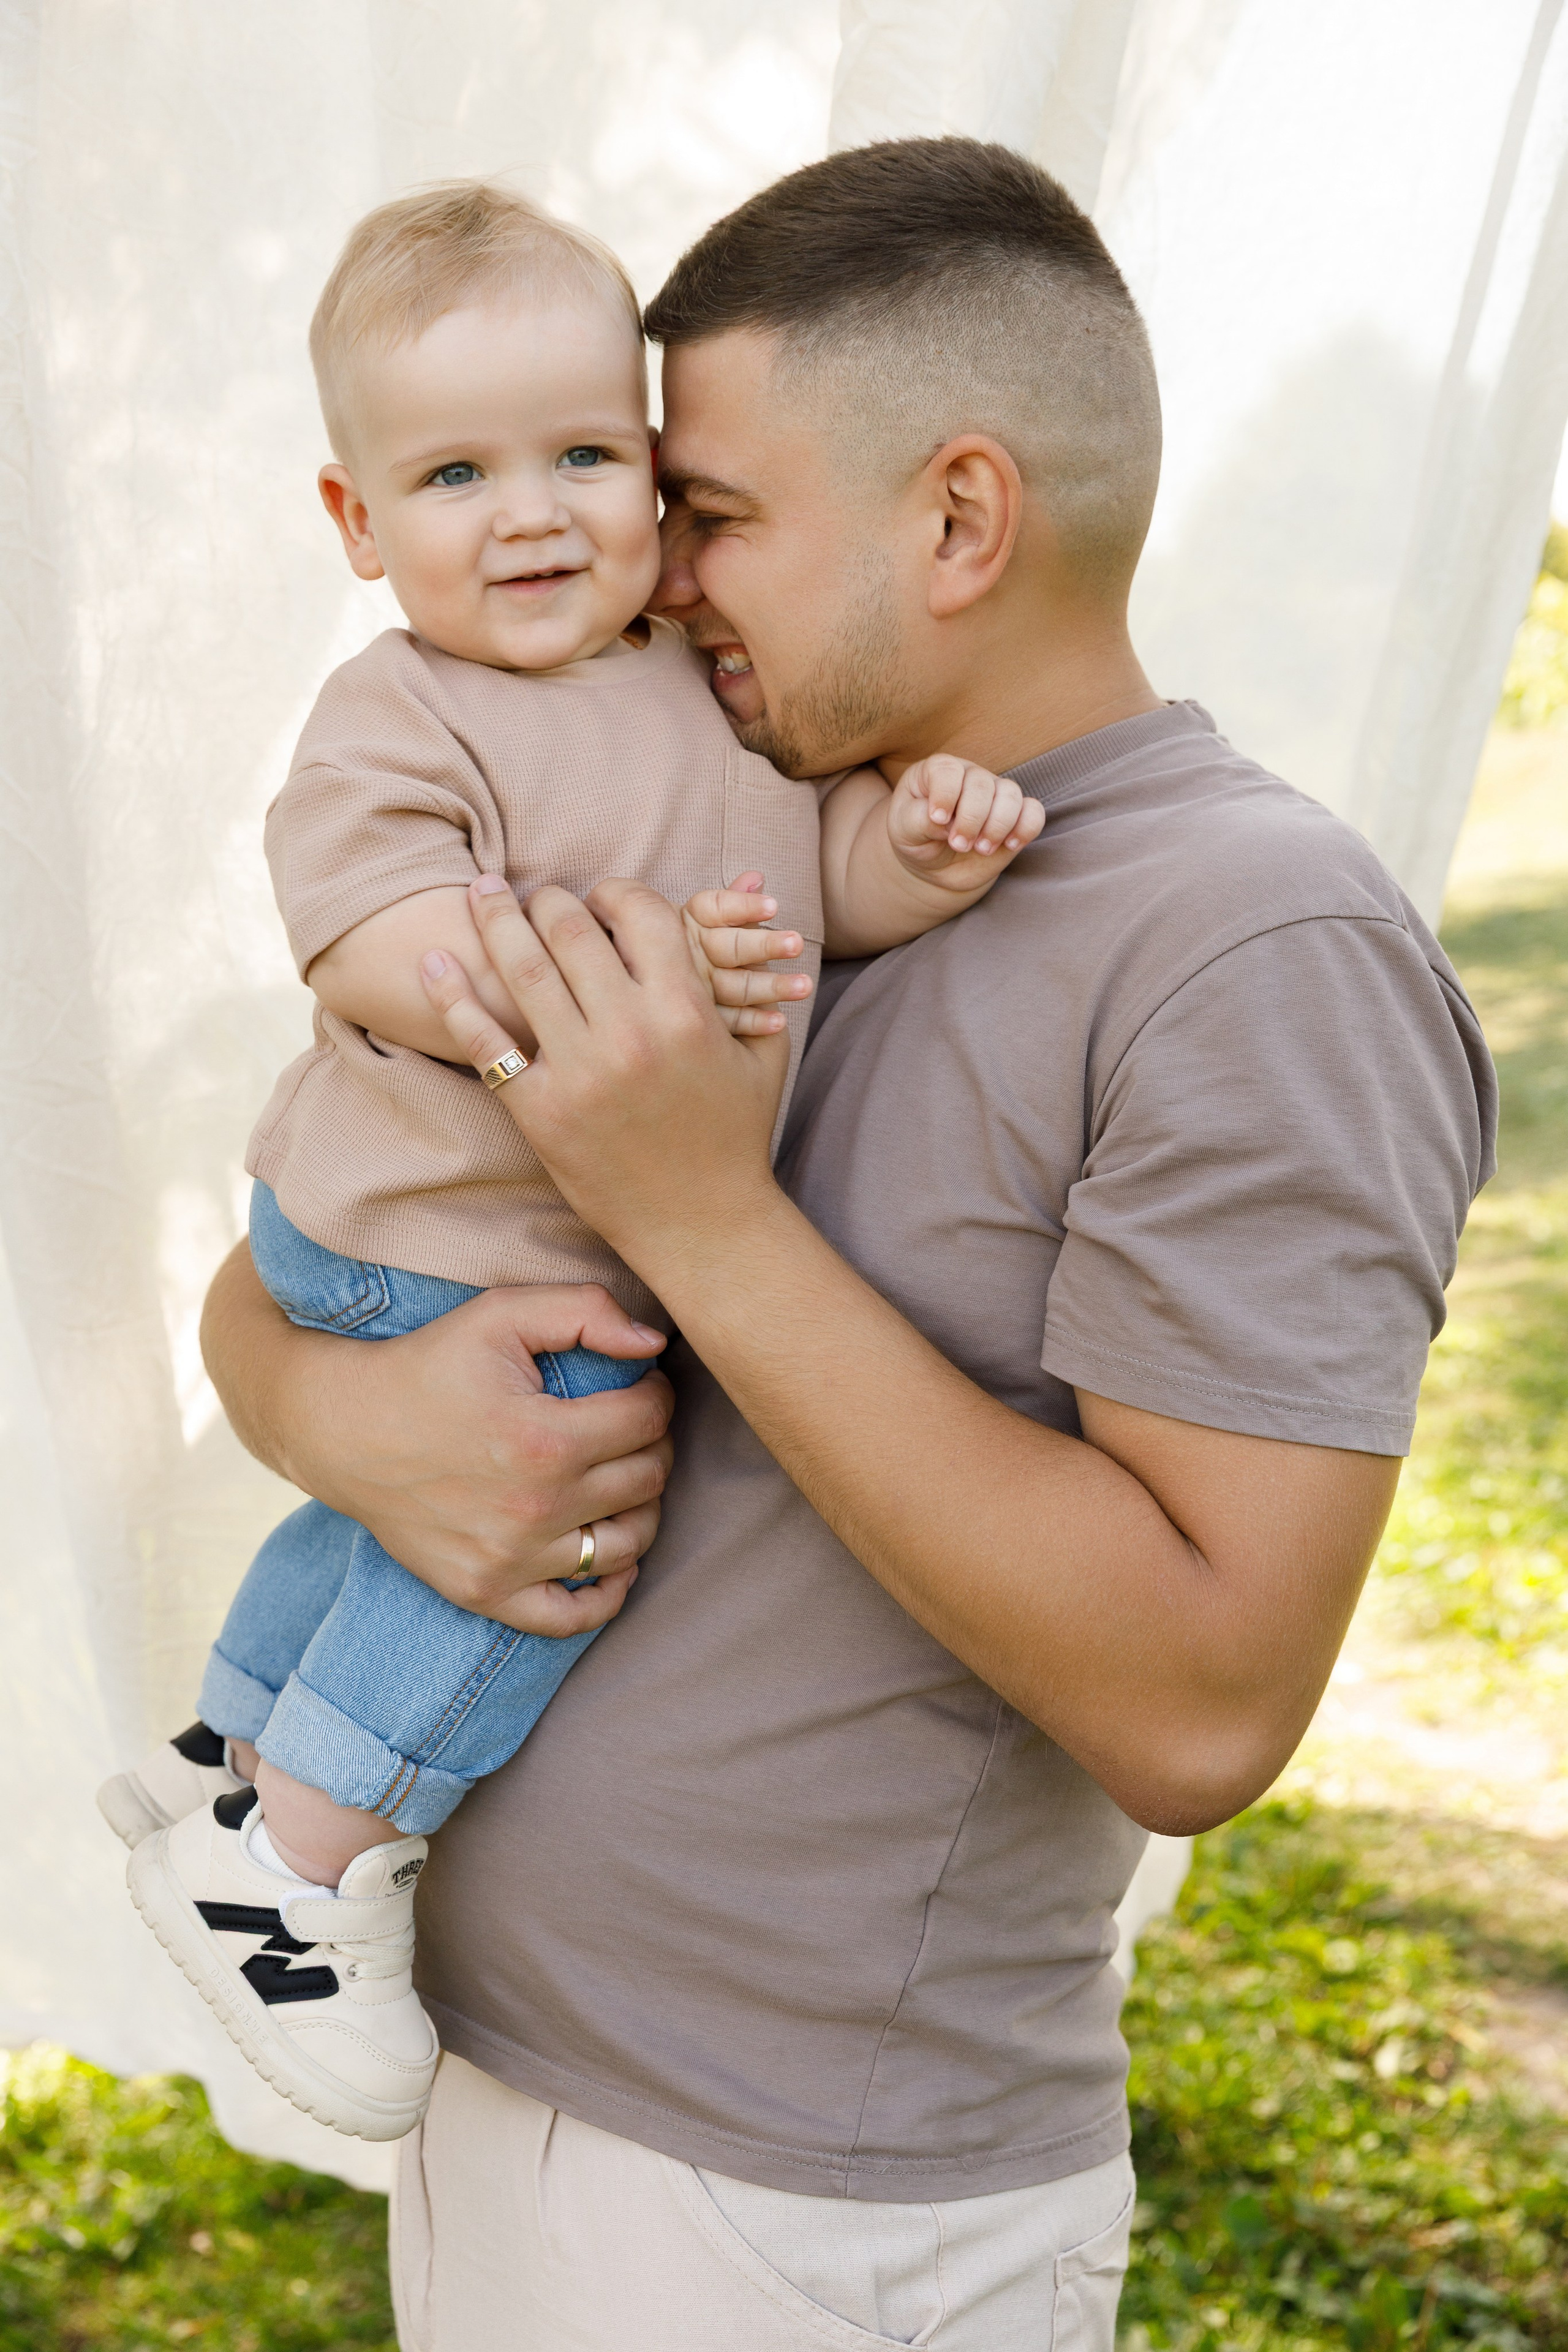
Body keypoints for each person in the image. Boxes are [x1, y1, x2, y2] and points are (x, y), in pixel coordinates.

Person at [202, 140, 1496, 2350]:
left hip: (799, 2206)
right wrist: (353, 1411)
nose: (641, 565)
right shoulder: (735, 813)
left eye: (702, 509)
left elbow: (1203, 1707)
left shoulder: (1251, 943)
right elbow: (311, 1263)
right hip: (507, 2086)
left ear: (963, 520)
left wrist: (697, 1215)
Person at [99, 178, 1042, 2149]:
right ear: (359, 528)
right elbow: (367, 928)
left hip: (472, 1234)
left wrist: (920, 848)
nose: (530, 514)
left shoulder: (720, 699)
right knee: (555, 1513)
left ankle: (237, 1746)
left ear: (653, 477)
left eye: (585, 456)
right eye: (455, 473)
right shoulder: (407, 707)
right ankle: (301, 1868)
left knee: (383, 1515)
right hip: (412, 1228)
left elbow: (822, 889)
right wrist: (610, 986)